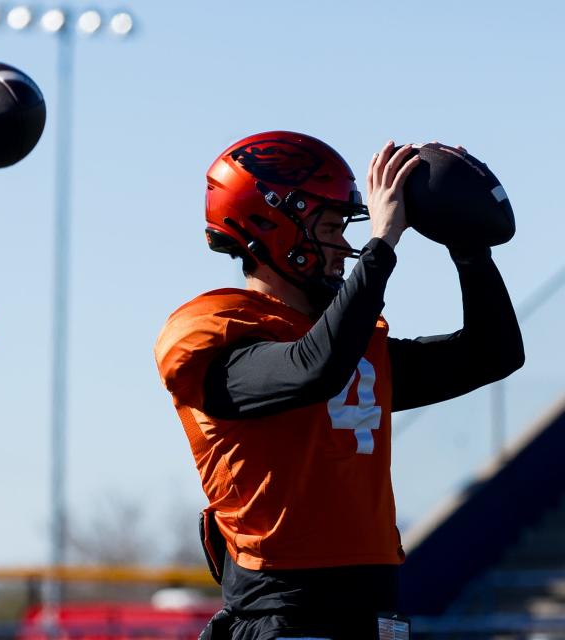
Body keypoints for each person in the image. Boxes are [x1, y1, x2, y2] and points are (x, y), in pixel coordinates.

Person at [153, 131, 524, 639]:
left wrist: (468, 250)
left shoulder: (350, 344)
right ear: (276, 225)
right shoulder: (215, 332)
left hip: (373, 609)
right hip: (285, 608)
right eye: (330, 227)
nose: (343, 246)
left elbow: (492, 353)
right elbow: (313, 370)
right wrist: (382, 245)